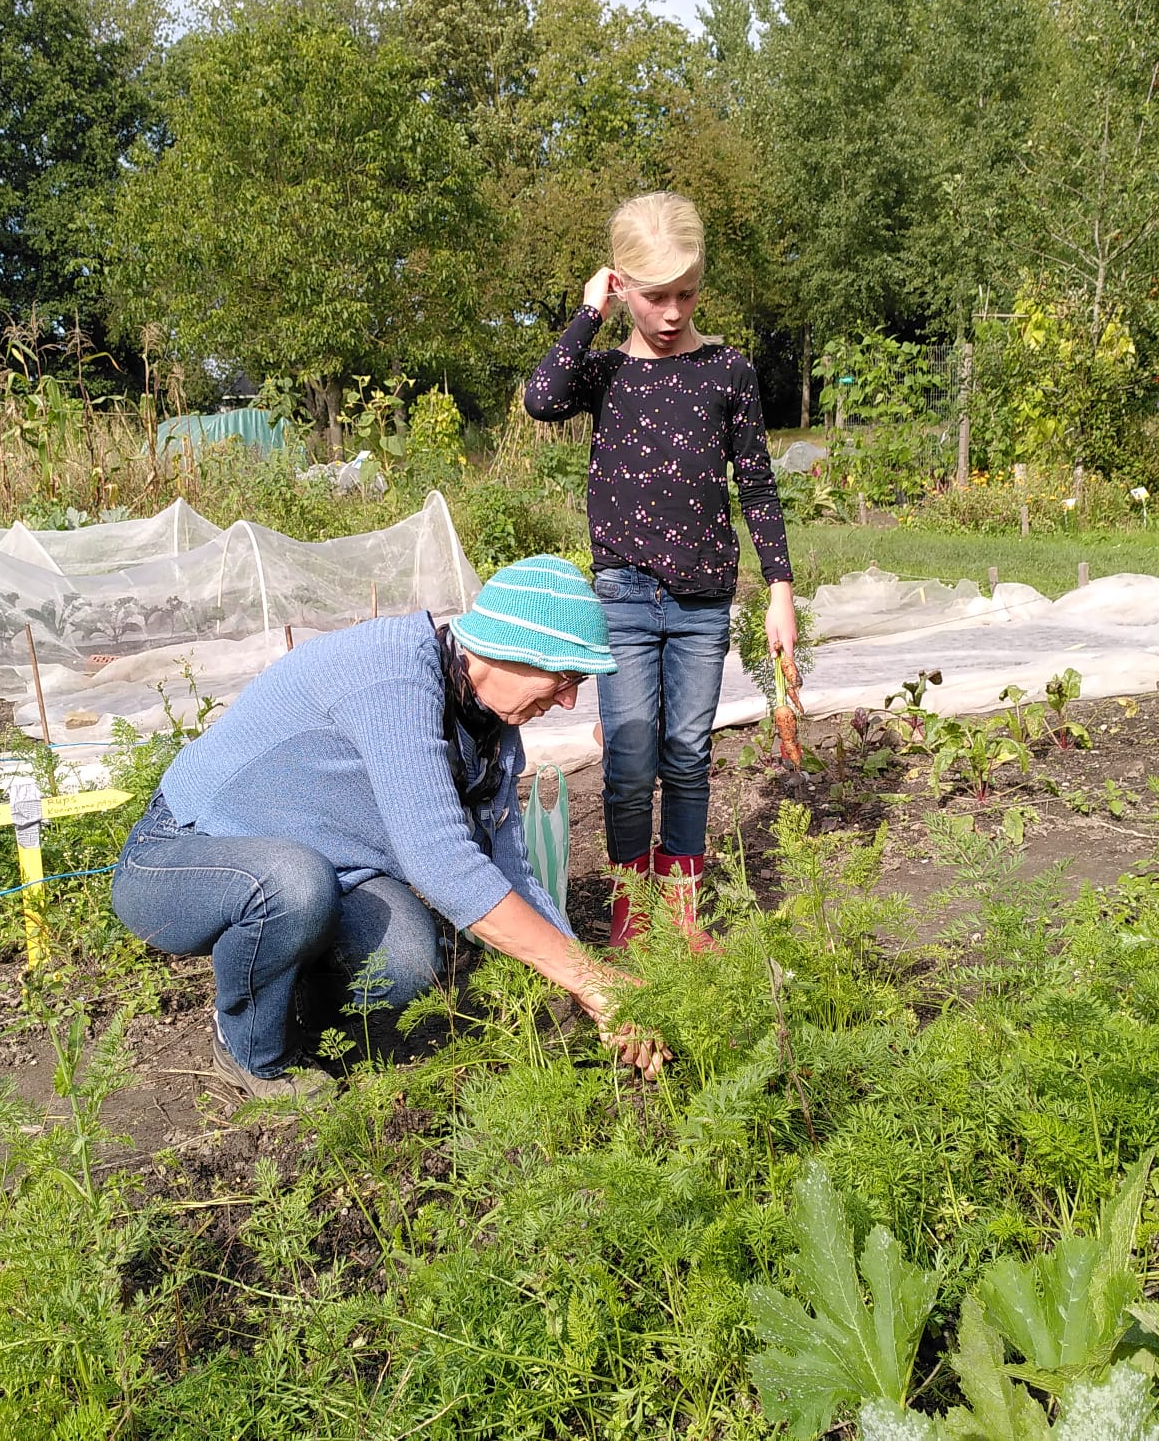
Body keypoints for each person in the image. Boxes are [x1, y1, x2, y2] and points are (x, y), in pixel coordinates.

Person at [111, 556, 669, 1100]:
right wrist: (590, 978)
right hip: (179, 856)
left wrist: (585, 980)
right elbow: (440, 860)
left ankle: (293, 1009)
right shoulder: (391, 679)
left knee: (407, 959)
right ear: (512, 650)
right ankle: (249, 1048)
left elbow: (509, 866)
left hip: (324, 869)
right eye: (565, 677)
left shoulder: (488, 725)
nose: (569, 700)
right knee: (293, 886)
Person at [524, 191, 796, 947]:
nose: (672, 313)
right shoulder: (605, 372)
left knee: (686, 755)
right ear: (621, 285)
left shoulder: (727, 371)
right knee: (630, 756)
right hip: (624, 596)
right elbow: (542, 399)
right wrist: (589, 313)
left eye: (686, 293)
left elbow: (758, 485)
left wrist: (779, 590)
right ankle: (630, 912)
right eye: (654, 296)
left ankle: (680, 914)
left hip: (703, 602)